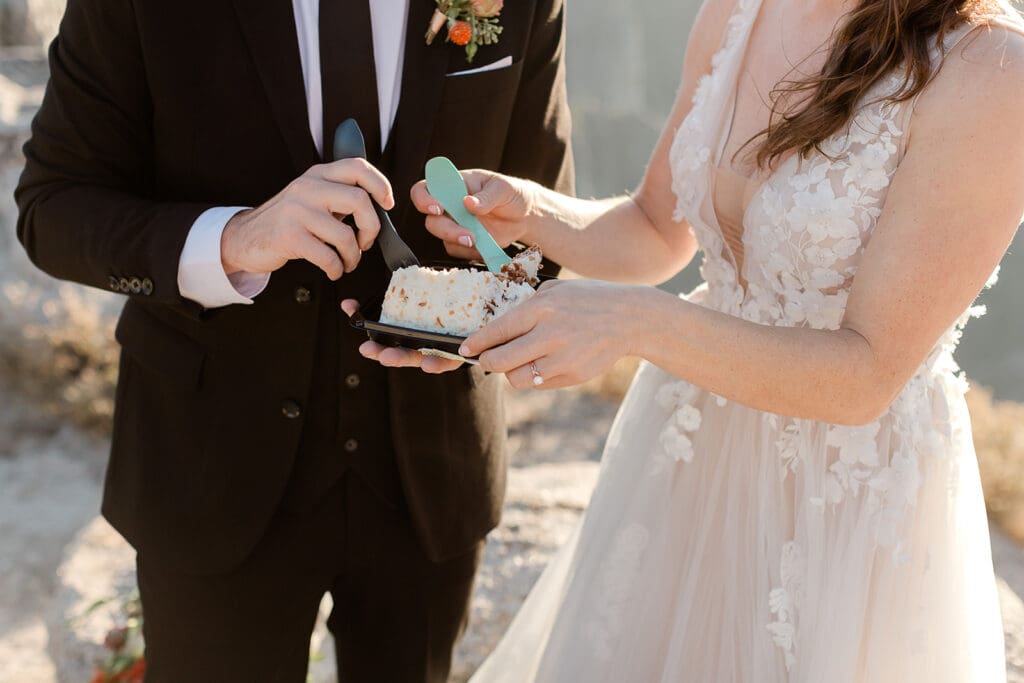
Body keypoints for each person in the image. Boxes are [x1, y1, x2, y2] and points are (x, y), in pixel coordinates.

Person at [357, 0, 1024, 678]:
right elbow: (655, 227)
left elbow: (866, 375)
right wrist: (532, 213)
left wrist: (635, 322)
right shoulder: (739, 9)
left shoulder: (991, 71)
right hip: (689, 460)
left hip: (843, 508)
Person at [14, 0, 572, 680]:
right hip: (208, 469)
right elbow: (54, 205)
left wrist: (479, 299)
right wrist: (235, 238)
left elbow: (546, 224)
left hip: (431, 475)